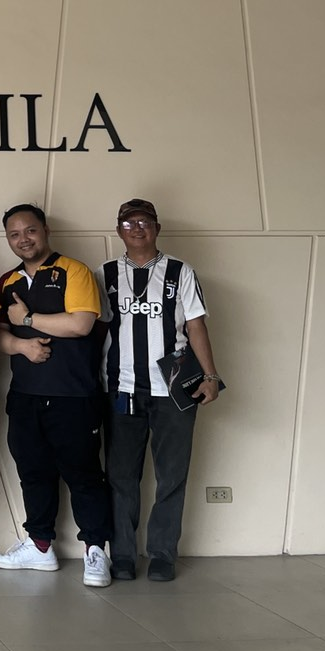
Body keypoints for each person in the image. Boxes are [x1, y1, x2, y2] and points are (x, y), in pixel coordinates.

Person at [0, 204, 114, 588]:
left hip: (73, 395)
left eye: (30, 231)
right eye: (14, 234)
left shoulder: (74, 271)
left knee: (84, 475)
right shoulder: (7, 281)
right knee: (33, 473)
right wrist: (21, 347)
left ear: (45, 230)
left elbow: (80, 323)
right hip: (25, 395)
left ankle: (96, 550)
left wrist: (28, 321)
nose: (23, 239)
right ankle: (40, 546)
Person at [101, 198, 222, 582]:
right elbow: (94, 330)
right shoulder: (105, 274)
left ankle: (162, 553)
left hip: (173, 389)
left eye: (144, 221)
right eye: (128, 222)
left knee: (172, 473)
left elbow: (197, 325)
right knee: (121, 475)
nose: (137, 228)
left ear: (157, 227)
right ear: (118, 230)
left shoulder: (180, 272)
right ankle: (121, 554)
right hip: (121, 388)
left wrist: (211, 376)